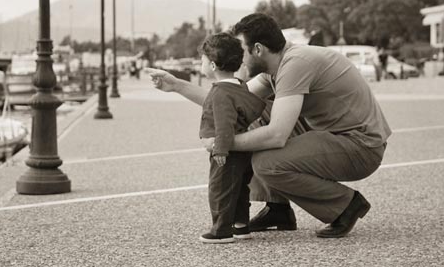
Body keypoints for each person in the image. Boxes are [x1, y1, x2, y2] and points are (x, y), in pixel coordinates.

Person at [147, 13, 391, 239]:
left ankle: (346, 205)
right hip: (333, 137)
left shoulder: (296, 64)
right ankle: (278, 210)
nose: (237, 57)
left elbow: (276, 136)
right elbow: (225, 104)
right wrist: (177, 86)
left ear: (258, 49)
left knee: (266, 164)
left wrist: (222, 143)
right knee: (246, 116)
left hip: (361, 145)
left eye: (240, 50)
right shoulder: (274, 68)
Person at [196, 33, 265, 243]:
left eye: (203, 60)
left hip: (227, 152)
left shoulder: (220, 92)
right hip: (243, 152)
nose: (201, 63)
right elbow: (256, 106)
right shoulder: (240, 86)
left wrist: (220, 150)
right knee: (240, 188)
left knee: (220, 189)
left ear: (213, 65)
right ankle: (241, 226)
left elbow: (224, 124)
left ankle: (221, 230)